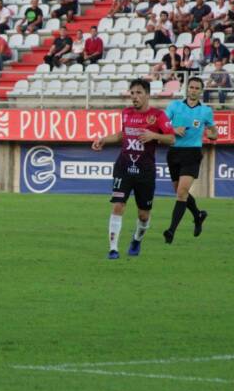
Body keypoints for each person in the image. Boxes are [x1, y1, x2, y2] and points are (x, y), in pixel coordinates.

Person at [91, 78, 175, 259]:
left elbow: (172, 138)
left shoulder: (158, 116)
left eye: (139, 93)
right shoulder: (127, 113)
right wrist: (104, 139)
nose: (135, 97)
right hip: (124, 166)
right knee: (118, 206)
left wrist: (153, 135)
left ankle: (137, 239)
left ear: (147, 95)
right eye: (132, 93)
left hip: (145, 171)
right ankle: (113, 249)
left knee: (143, 215)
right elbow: (123, 134)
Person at [162, 77, 218, 244]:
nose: (193, 90)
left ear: (201, 91)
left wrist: (212, 135)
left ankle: (171, 231)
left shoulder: (206, 111)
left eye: (197, 88)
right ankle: (198, 215)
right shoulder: (175, 106)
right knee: (181, 191)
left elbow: (214, 132)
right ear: (187, 89)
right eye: (191, 87)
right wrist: (173, 129)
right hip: (174, 152)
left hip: (192, 153)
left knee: (181, 193)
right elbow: (162, 124)